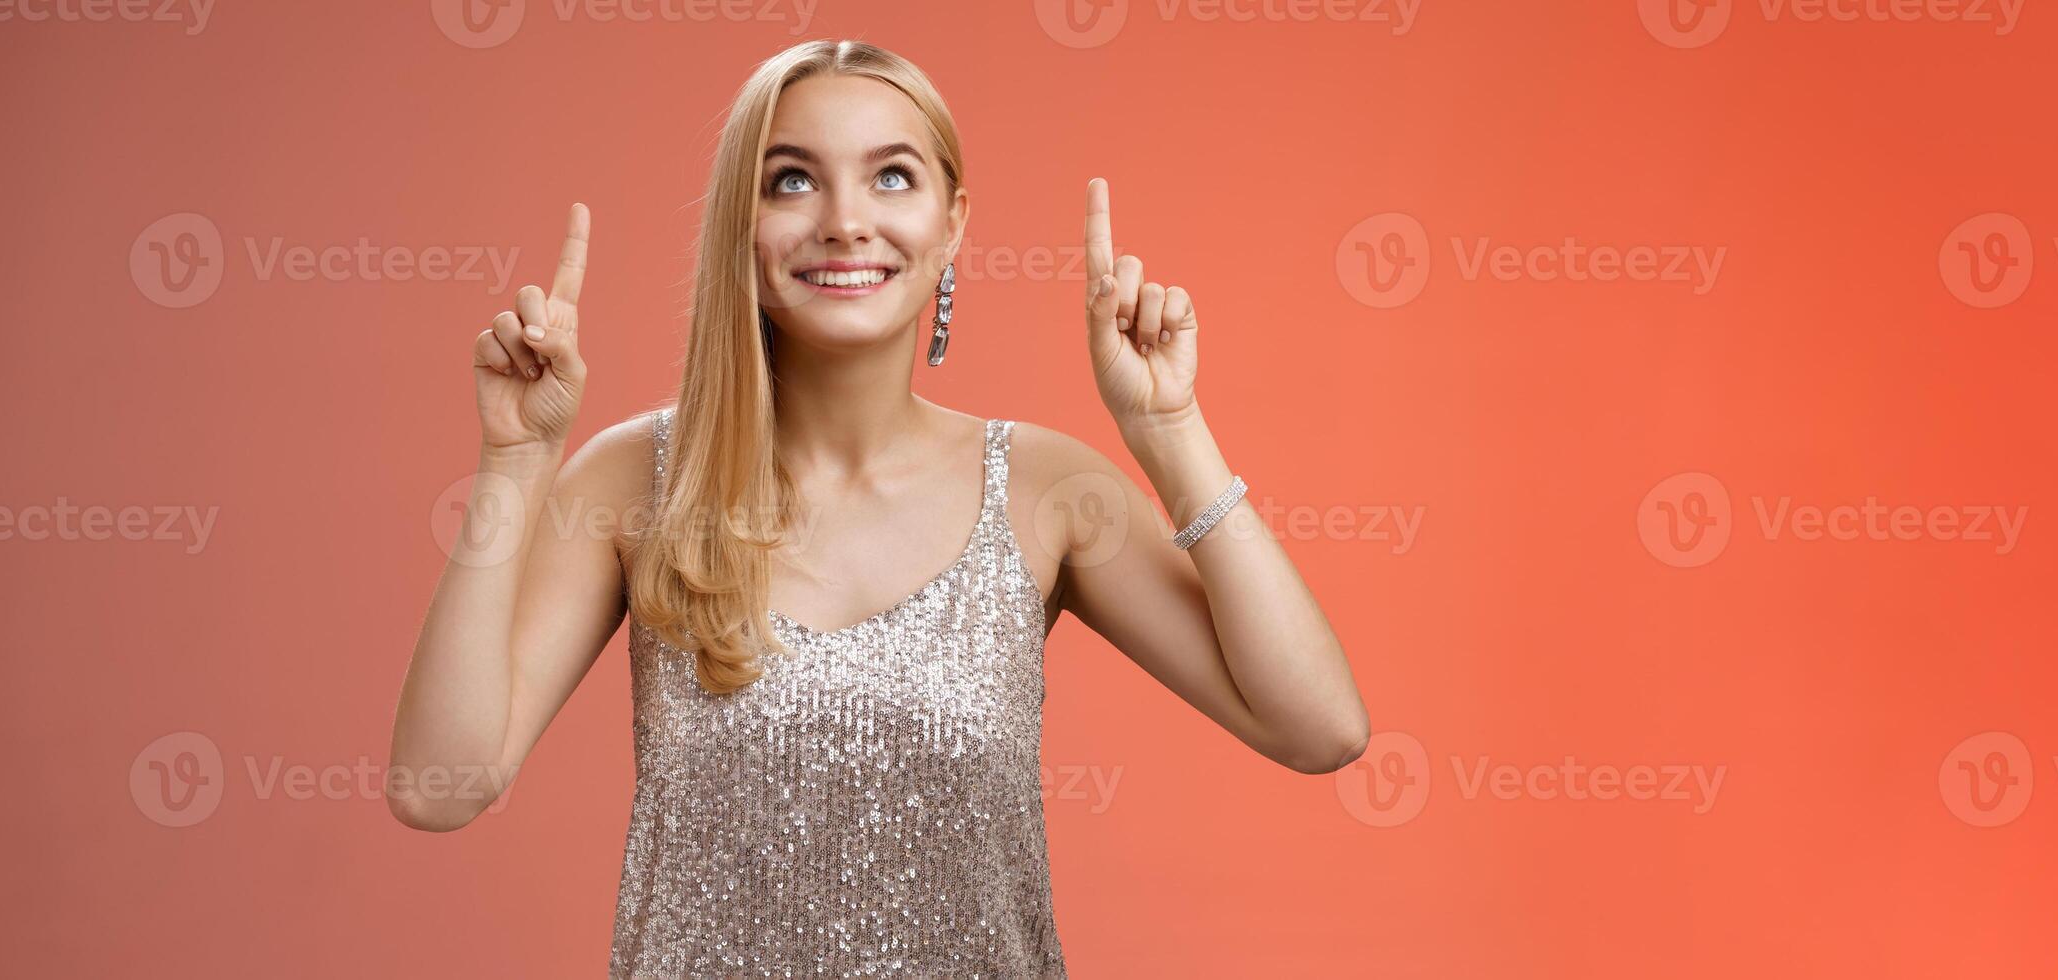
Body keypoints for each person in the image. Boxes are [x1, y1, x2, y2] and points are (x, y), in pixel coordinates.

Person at [390, 38, 1369, 977]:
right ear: (742, 222)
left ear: (951, 223)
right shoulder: (635, 479)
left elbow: (1318, 728)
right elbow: (438, 785)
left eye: (891, 176)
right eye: (791, 178)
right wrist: (515, 463)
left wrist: (1170, 430)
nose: (844, 220)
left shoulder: (1042, 488)